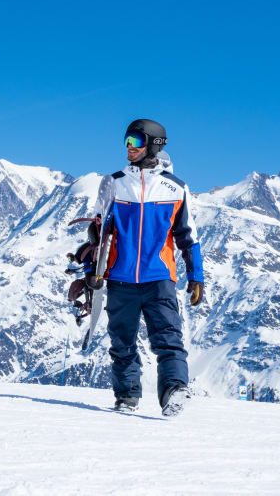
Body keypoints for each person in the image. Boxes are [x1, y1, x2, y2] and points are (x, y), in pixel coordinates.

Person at [91, 118, 204, 416]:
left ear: (153, 144)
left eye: (136, 141)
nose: (129, 147)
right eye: (126, 141)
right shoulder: (114, 183)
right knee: (122, 341)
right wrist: (94, 262)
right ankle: (127, 395)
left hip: (159, 278)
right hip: (120, 276)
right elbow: (100, 232)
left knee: (168, 339)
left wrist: (196, 277)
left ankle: (175, 392)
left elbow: (187, 235)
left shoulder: (176, 188)